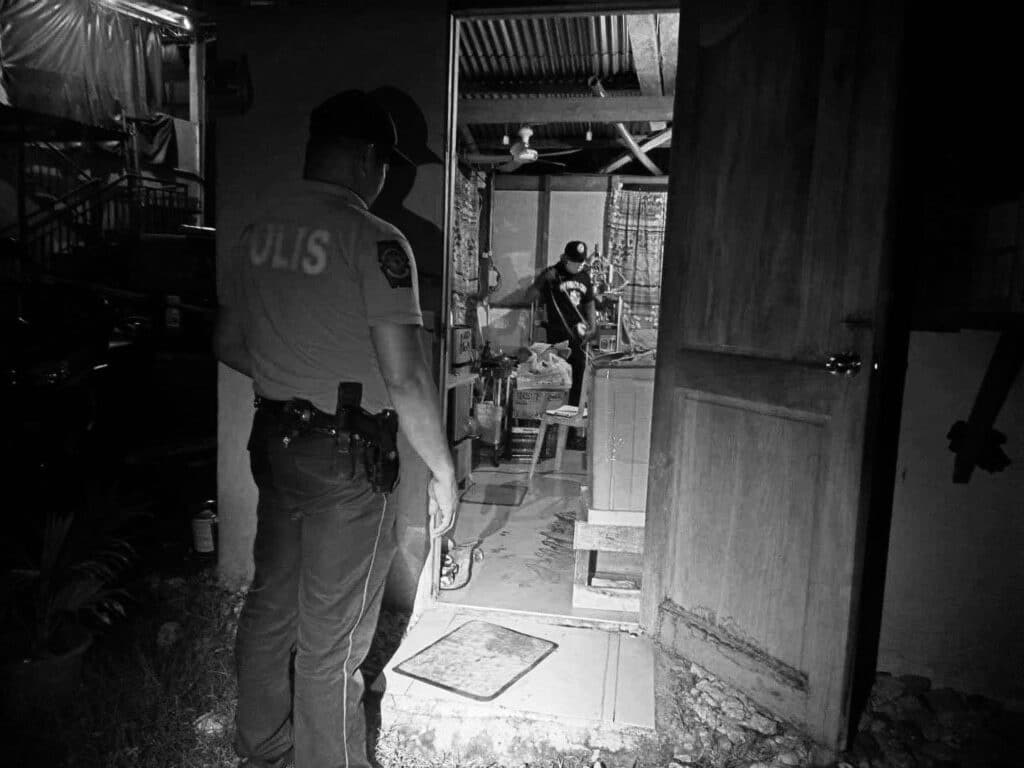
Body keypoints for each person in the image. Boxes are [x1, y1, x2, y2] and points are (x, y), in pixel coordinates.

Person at [214, 89, 458, 768]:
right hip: (349, 462)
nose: (388, 179)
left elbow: (228, 341)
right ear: (368, 160)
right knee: (334, 640)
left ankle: (262, 749)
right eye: (389, 164)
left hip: (276, 443)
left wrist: (295, 374)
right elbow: (405, 379)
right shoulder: (376, 240)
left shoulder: (257, 229)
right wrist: (442, 471)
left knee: (272, 605)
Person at [526, 240, 597, 412]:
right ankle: (555, 422)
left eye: (580, 262)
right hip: (557, 338)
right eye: (574, 262)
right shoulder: (552, 274)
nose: (577, 266)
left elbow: (589, 303)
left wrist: (593, 326)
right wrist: (542, 280)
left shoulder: (584, 276)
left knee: (578, 381)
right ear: (565, 258)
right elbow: (529, 296)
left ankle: (572, 423)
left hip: (578, 339)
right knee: (558, 381)